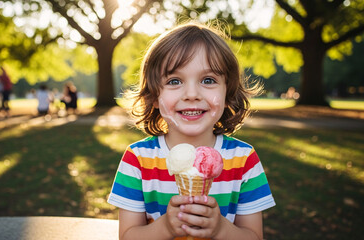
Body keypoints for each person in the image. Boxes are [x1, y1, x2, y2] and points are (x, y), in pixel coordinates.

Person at [107, 22, 275, 240]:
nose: (192, 94)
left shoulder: (244, 160)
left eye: (208, 80)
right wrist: (165, 227)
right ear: (153, 97)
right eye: (174, 81)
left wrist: (221, 230)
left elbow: (254, 236)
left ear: (228, 94)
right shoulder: (137, 160)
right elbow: (128, 236)